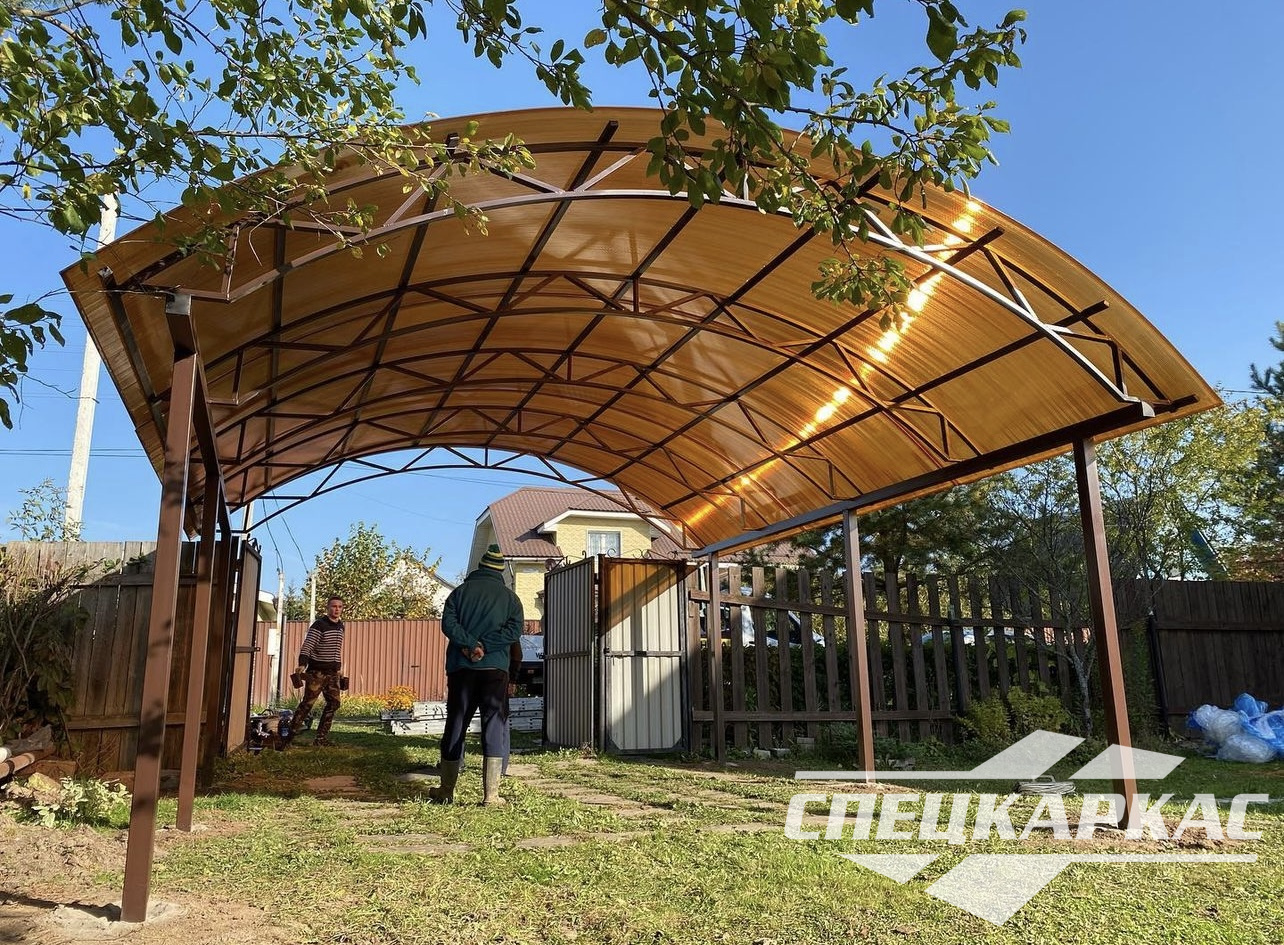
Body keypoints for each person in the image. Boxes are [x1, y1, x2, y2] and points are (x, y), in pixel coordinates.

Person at [429, 544, 524, 805]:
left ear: (480, 567)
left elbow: (449, 624)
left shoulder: (459, 594)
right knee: (493, 724)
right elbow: (514, 631)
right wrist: (486, 647)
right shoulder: (510, 599)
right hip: (495, 670)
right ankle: (491, 795)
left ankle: (446, 790)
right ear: (500, 571)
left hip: (462, 669)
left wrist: (471, 645)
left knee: (456, 723)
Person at [292, 595, 346, 747]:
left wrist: (338, 668)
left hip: (332, 673)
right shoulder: (319, 625)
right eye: (334, 606)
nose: (337, 609)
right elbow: (308, 645)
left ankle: (320, 739)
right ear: (327, 608)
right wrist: (302, 664)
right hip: (316, 672)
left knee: (334, 703)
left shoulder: (340, 626)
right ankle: (288, 736)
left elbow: (336, 650)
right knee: (307, 704)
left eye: (340, 607)